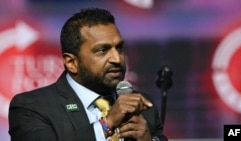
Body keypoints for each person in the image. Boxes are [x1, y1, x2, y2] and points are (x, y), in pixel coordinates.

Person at [8, 7, 168, 141]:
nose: (117, 59)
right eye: (102, 50)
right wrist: (107, 124)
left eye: (119, 48)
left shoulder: (142, 105)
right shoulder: (32, 107)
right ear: (71, 62)